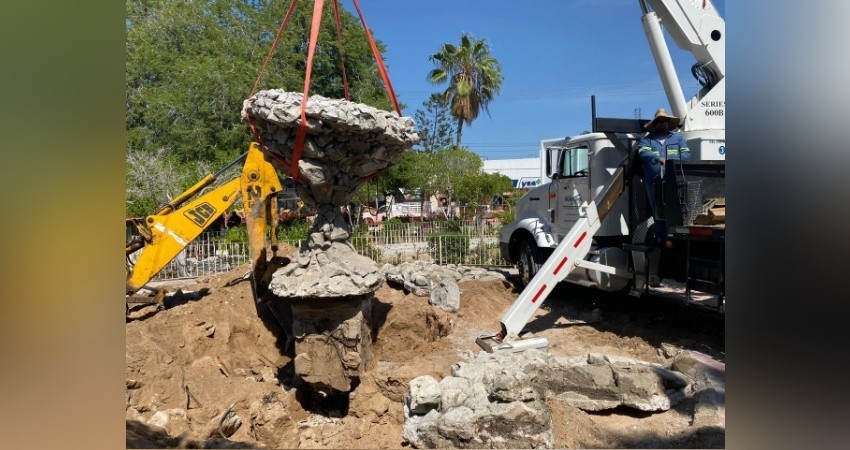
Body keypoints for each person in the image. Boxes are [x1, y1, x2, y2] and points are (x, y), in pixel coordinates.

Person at [637, 108, 691, 214]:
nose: (662, 123)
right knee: (657, 213)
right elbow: (643, 153)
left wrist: (669, 160)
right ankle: (659, 230)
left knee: (674, 212)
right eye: (659, 121)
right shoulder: (647, 140)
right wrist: (658, 159)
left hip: (674, 182)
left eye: (664, 121)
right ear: (655, 124)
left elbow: (686, 155)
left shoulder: (678, 138)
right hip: (653, 183)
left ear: (668, 123)